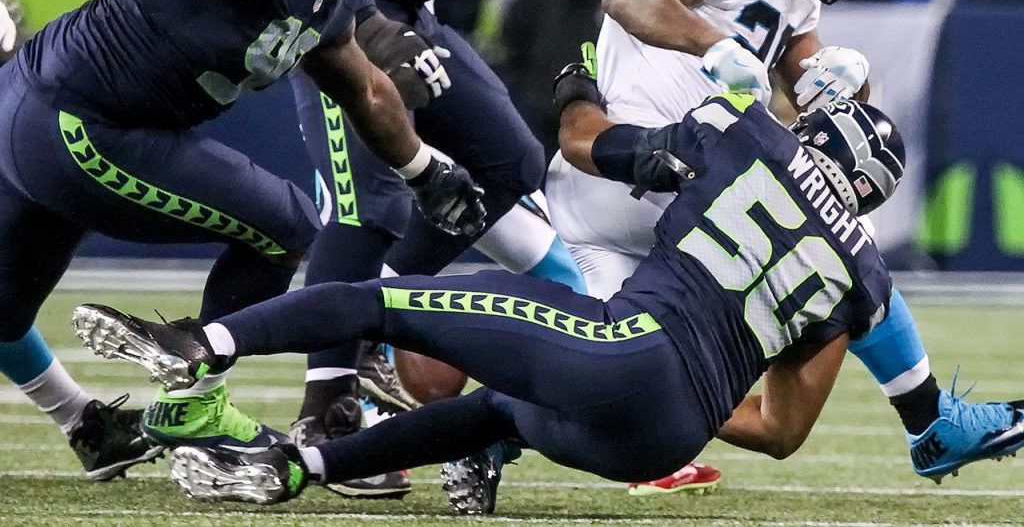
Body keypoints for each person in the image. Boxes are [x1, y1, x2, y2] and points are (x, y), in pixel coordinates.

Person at [74, 88, 909, 516]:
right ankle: (297, 467)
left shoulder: (751, 132)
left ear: (817, 133)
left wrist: (576, 87)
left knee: (381, 299)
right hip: (664, 437)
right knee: (499, 409)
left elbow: (589, 144)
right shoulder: (862, 272)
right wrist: (694, 382)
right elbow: (782, 431)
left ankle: (201, 343)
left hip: (621, 351)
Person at [0, 0, 486, 476]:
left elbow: (366, 88)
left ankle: (89, 426)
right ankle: (194, 401)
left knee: (4, 307)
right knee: (285, 224)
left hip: (49, 111)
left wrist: (424, 170)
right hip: (81, 118)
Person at [543, 0, 1024, 491]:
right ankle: (929, 415)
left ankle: (493, 432)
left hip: (671, 196)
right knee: (834, 224)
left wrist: (841, 81)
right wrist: (714, 46)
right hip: (632, 169)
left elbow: (813, 86)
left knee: (743, 418)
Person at [286, 0, 715, 497]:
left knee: (511, 164)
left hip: (411, 13)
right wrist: (369, 25)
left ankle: (370, 314)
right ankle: (324, 411)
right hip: (336, 12)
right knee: (370, 205)